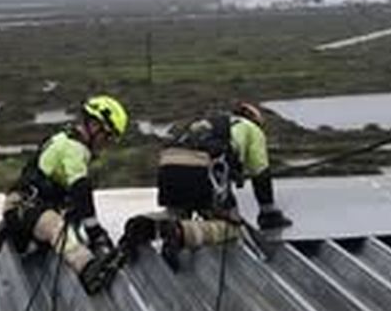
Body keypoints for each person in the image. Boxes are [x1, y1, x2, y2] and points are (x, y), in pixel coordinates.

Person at [0, 94, 130, 295]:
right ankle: (87, 269)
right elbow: (81, 191)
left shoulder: (65, 137)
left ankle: (6, 231)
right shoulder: (75, 148)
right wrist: (97, 234)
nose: (107, 143)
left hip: (25, 207)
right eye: (107, 135)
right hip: (25, 206)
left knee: (41, 239)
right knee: (57, 228)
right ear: (95, 126)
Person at [121, 101, 292, 268]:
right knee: (230, 228)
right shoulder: (252, 130)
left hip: (169, 164)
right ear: (256, 121)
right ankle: (181, 233)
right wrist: (268, 212)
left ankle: (144, 225)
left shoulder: (210, 124)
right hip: (201, 167)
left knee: (177, 213)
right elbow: (260, 173)